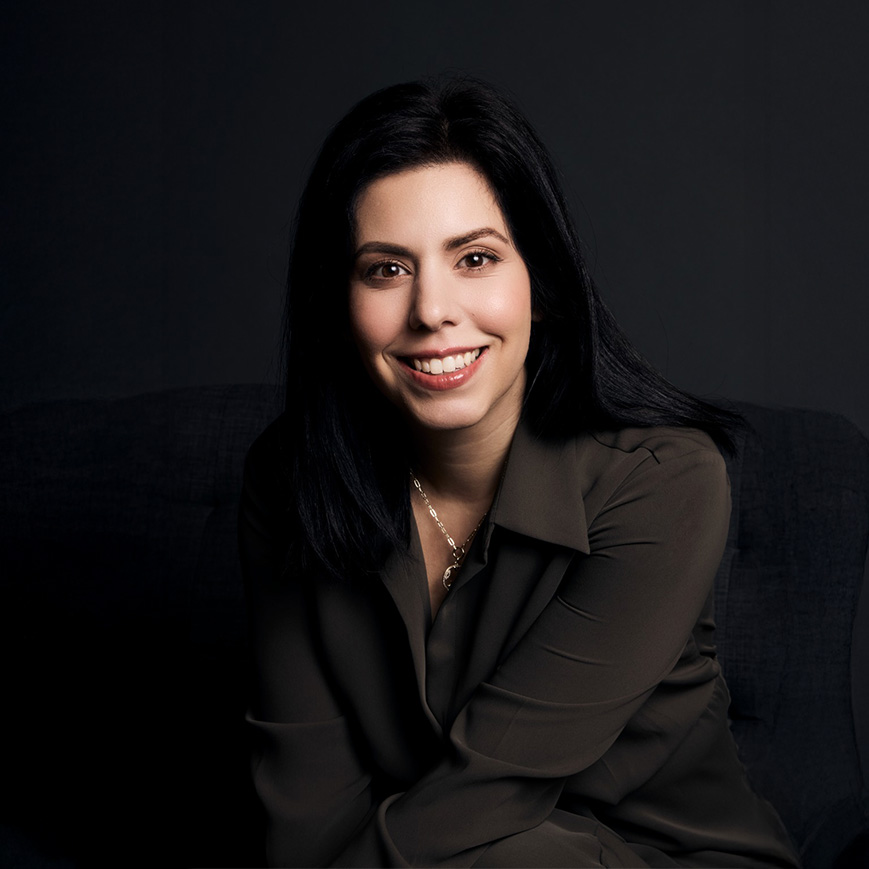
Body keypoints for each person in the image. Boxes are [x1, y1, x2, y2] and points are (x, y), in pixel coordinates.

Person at [238, 77, 801, 868]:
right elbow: (307, 806)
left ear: (541, 282)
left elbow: (490, 787)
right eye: (386, 269)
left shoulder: (662, 482)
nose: (431, 310)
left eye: (474, 259)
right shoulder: (291, 479)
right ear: (339, 302)